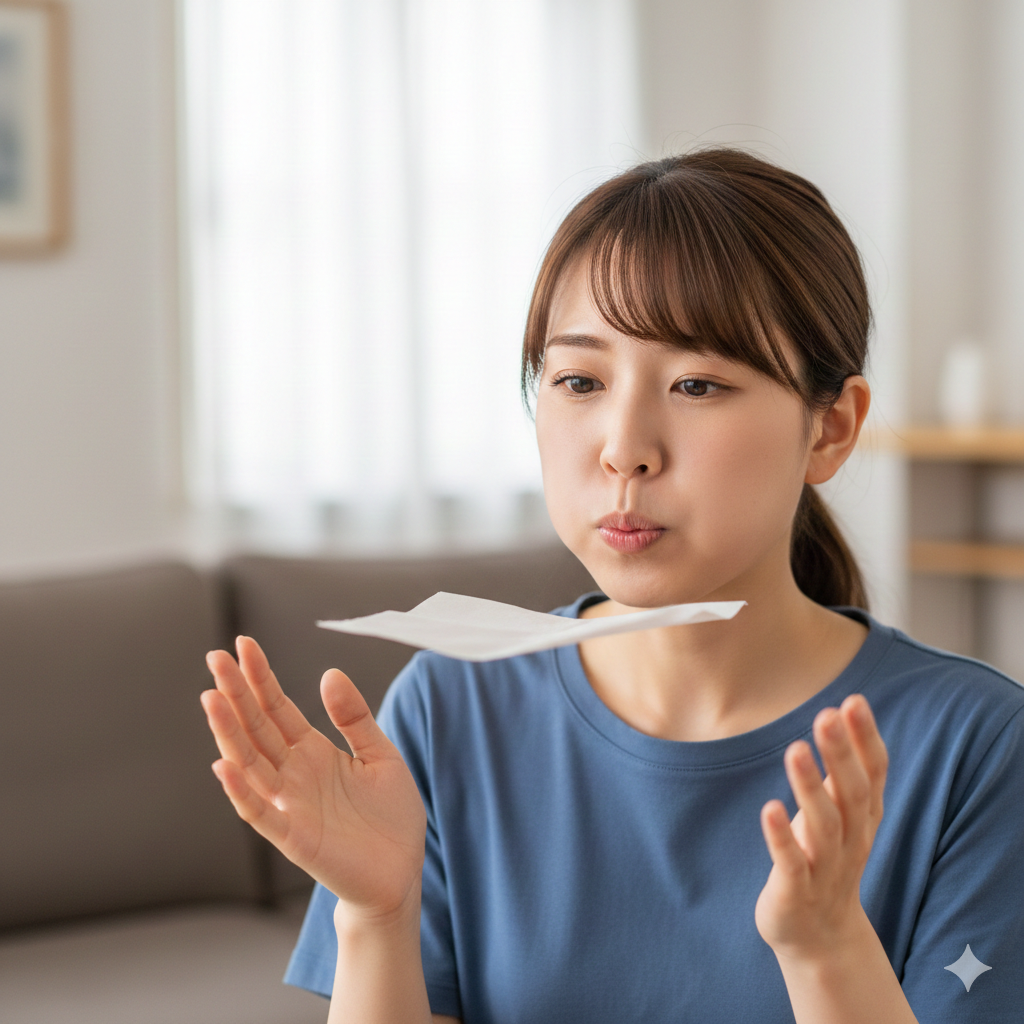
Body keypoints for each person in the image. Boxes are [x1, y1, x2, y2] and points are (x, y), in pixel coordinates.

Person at [201, 149, 1024, 1024]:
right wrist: (377, 916)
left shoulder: (977, 751)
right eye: (580, 381)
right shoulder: (447, 711)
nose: (624, 446)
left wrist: (828, 953)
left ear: (830, 428)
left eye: (697, 383)